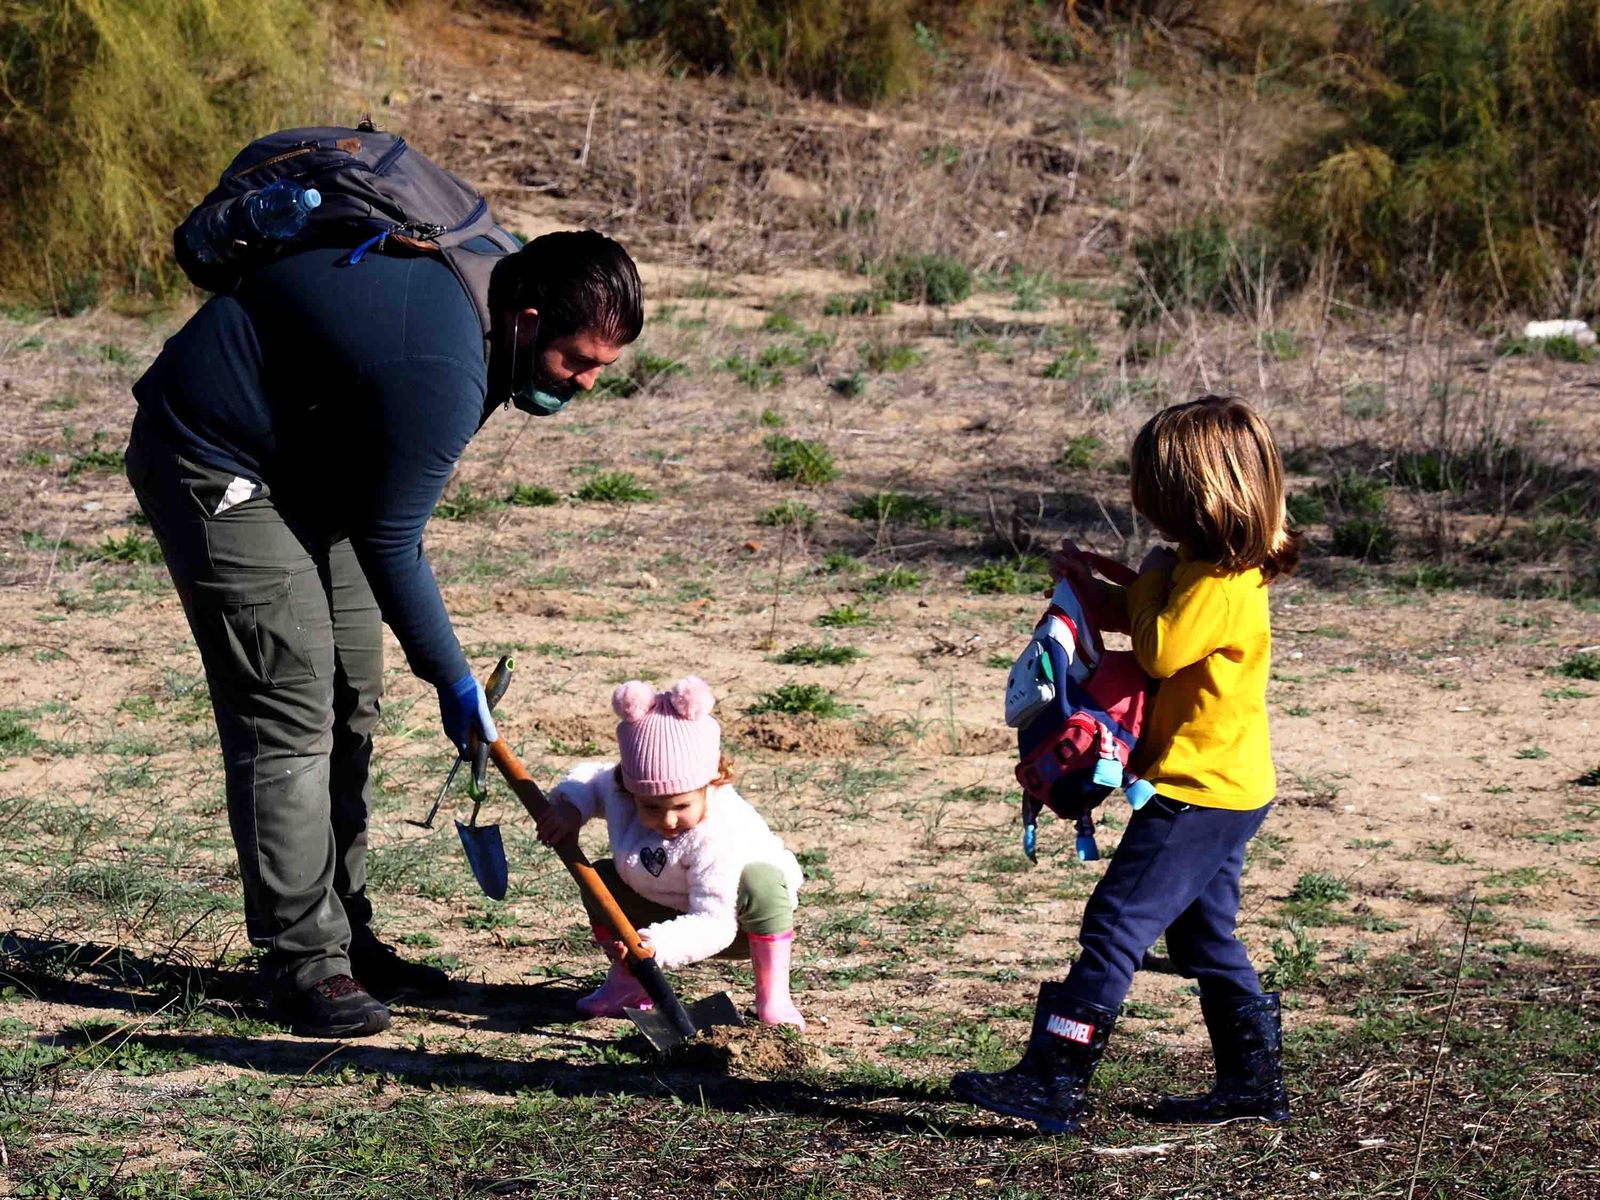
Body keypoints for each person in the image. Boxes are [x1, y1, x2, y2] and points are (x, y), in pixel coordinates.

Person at [125, 227, 644, 1038]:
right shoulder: (445, 366)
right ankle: (305, 963)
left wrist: (448, 677)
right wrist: (454, 678)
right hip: (211, 455)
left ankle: (348, 932)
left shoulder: (493, 302)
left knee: (350, 695)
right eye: (577, 361)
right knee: (289, 704)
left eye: (601, 371)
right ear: (529, 319)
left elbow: (383, 519)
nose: (583, 384)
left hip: (311, 465)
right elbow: (394, 543)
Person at [951, 395, 1301, 1133]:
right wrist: (1089, 590)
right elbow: (1149, 619)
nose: (1140, 504)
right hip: (1229, 787)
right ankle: (1253, 1085)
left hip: (1195, 792)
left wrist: (1140, 581)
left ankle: (1053, 1080)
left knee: (1115, 923)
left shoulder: (1218, 582)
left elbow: (1158, 648)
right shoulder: (1202, 568)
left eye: (1152, 491)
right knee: (1206, 938)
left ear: (1198, 496)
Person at [534, 677, 806, 1029]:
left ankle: (774, 999)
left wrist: (656, 945)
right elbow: (591, 778)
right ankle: (630, 983)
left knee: (761, 882)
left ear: (712, 783)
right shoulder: (625, 790)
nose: (667, 819)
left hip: (737, 923)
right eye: (650, 806)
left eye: (682, 804)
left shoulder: (718, 832)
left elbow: (716, 922)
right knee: (599, 879)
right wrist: (570, 808)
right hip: (663, 900)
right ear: (630, 790)